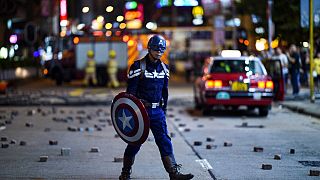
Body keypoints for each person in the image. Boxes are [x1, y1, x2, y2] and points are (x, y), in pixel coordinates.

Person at [119, 35, 194, 180]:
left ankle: (173, 173)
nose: (159, 52)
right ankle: (125, 173)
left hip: (157, 111)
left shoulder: (165, 69)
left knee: (164, 140)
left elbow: (165, 93)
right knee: (135, 142)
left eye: (161, 49)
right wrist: (132, 114)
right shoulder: (138, 66)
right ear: (149, 49)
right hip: (141, 110)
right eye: (155, 49)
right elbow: (130, 93)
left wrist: (163, 111)